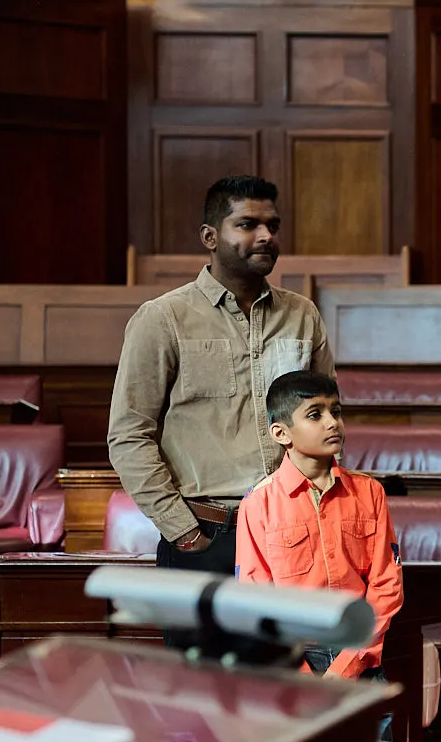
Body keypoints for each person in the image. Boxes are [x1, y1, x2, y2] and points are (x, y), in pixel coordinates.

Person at [108, 175, 333, 576]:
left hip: (296, 529)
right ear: (210, 237)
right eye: (247, 225)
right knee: (202, 644)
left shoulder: (302, 315)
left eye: (273, 226)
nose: (265, 236)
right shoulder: (163, 319)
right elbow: (129, 436)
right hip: (207, 533)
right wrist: (183, 531)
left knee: (295, 643)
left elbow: (327, 420)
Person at [236, 370, 403, 685]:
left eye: (336, 412)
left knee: (372, 736)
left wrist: (346, 666)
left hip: (361, 655)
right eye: (315, 415)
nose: (332, 423)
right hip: (293, 660)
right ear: (281, 433)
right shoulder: (259, 503)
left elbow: (387, 585)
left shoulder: (370, 492)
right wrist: (299, 673)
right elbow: (254, 597)